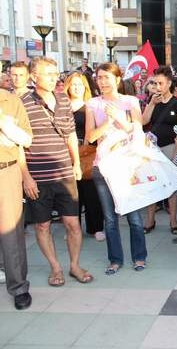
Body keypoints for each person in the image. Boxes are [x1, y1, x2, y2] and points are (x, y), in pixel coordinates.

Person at [21, 57, 92, 286]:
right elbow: (18, 145)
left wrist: (76, 164)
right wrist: (26, 177)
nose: (54, 78)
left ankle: (74, 265)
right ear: (34, 77)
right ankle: (55, 268)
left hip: (64, 174)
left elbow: (71, 134)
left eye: (55, 73)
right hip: (37, 178)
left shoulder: (63, 99)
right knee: (42, 225)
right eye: (48, 74)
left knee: (73, 223)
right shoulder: (22, 103)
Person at [85, 62, 148, 275]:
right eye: (99, 77)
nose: (102, 81)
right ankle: (115, 259)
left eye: (106, 77)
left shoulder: (130, 101)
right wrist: (108, 121)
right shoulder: (92, 104)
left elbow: (137, 131)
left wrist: (121, 118)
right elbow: (90, 137)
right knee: (110, 219)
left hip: (127, 165)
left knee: (134, 217)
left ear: (117, 79)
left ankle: (139, 256)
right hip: (102, 166)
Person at [0, 80, 33, 309]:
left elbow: (27, 139)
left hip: (6, 170)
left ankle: (18, 287)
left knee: (11, 233)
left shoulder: (11, 101)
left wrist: (5, 125)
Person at [141, 66, 177, 234]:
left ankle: (173, 221)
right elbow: (143, 121)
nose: (157, 86)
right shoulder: (152, 100)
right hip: (152, 149)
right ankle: (150, 220)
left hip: (170, 147)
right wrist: (151, 104)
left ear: (168, 83)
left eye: (160, 83)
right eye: (154, 83)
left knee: (171, 184)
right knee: (152, 183)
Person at [63, 72, 105, 242]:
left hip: (86, 151)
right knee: (70, 193)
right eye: (73, 84)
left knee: (90, 192)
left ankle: (96, 227)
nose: (76, 88)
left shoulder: (91, 105)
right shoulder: (61, 105)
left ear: (85, 87)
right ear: (68, 87)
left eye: (80, 84)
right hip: (66, 152)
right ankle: (73, 228)